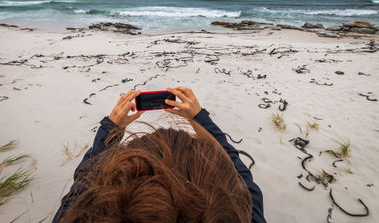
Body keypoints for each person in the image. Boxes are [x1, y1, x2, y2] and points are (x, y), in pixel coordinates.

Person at [53, 87, 266, 223]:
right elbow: (240, 173)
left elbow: (83, 183)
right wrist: (200, 119)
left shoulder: (79, 215)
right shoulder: (243, 213)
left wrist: (110, 128)